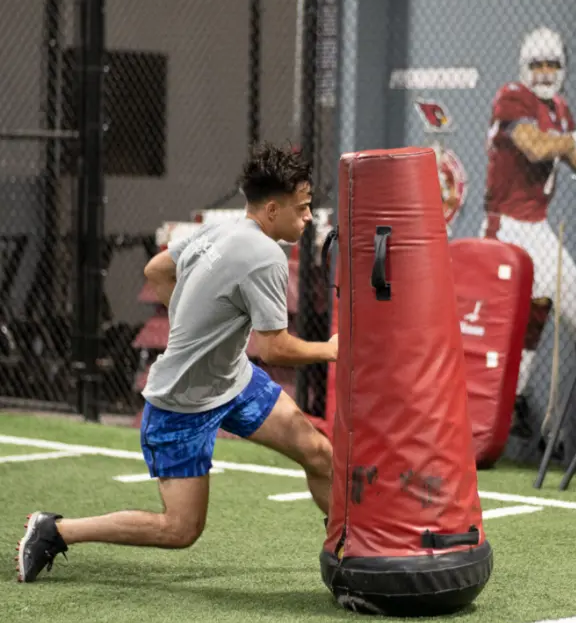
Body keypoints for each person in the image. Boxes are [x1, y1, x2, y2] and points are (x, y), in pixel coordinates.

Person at [17, 142, 338, 583]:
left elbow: (156, 270)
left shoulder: (219, 231)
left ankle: (347, 548)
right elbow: (276, 350)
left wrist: (193, 318)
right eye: (302, 209)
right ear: (270, 208)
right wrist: (333, 348)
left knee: (319, 452)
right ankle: (55, 530)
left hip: (234, 382)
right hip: (180, 407)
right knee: (180, 529)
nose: (307, 217)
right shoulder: (267, 257)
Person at [482, 27, 576, 437]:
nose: (545, 71)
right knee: (511, 324)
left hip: (538, 228)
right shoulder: (512, 96)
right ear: (524, 68)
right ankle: (503, 409)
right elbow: (535, 145)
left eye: (552, 64)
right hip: (506, 229)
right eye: (538, 64)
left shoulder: (559, 107)